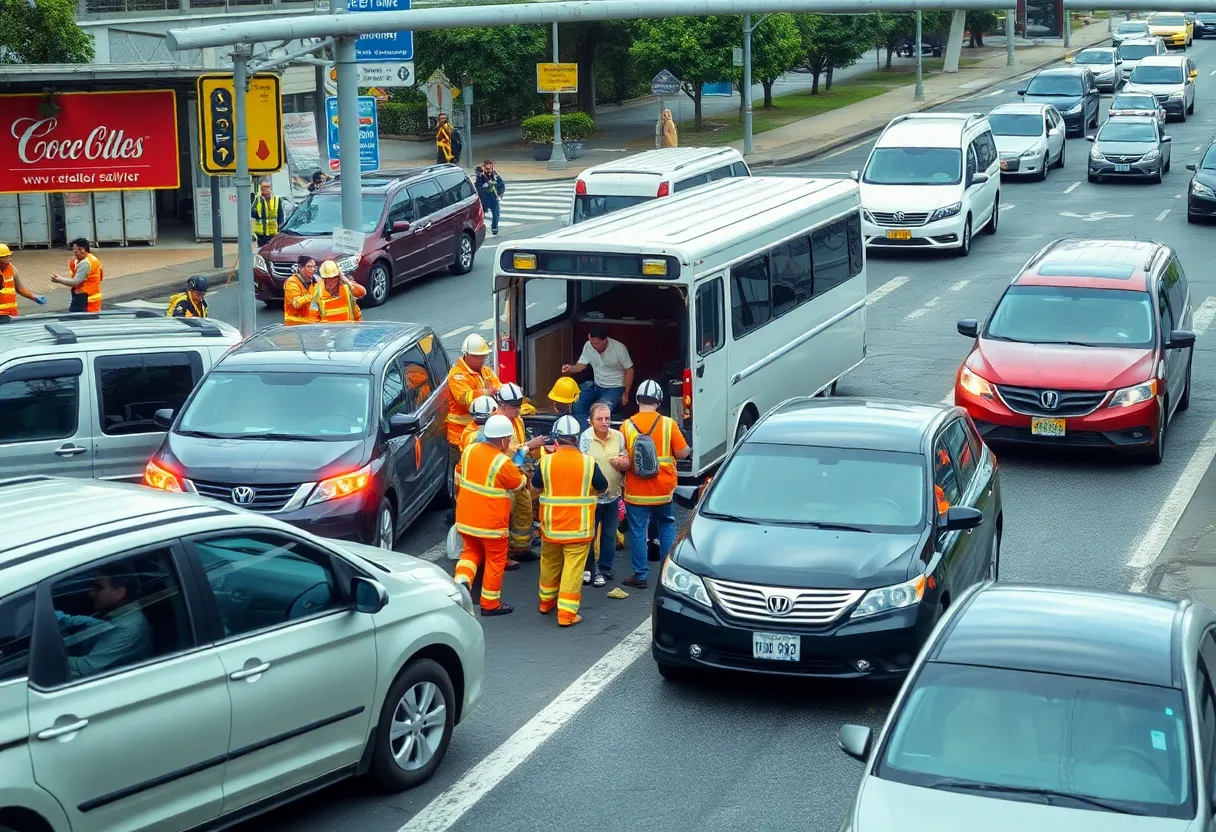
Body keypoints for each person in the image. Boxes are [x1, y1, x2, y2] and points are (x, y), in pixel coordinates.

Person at [533, 415, 608, 627]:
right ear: (576, 438)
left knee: (549, 564)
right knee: (573, 570)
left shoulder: (545, 462)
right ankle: (566, 614)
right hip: (578, 529)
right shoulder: (588, 463)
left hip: (551, 527)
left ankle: (546, 602)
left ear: (556, 439)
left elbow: (536, 485)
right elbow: (602, 486)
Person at [454, 414, 528, 616]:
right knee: (496, 561)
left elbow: (460, 474)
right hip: (491, 524)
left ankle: (461, 582)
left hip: (466, 518)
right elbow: (519, 484)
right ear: (504, 440)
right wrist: (520, 463)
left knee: (470, 553)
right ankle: (490, 603)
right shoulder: (502, 462)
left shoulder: (470, 450)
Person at [620, 379, 691, 589]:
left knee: (638, 531)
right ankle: (667, 572)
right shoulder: (668, 424)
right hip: (663, 489)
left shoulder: (626, 425)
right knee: (666, 525)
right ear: (658, 402)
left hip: (636, 490)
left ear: (637, 400)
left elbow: (622, 458)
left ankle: (640, 575)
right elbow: (682, 452)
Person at [54, 565, 152, 679]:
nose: (91, 593)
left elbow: (85, 668)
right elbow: (96, 625)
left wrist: (42, 658)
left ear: (119, 593)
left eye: (98, 588)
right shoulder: (120, 616)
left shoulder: (129, 627)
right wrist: (62, 619)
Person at [496, 382, 551, 563]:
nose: (518, 410)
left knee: (524, 510)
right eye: (514, 407)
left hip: (516, 473)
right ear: (502, 405)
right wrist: (529, 446)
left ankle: (520, 548)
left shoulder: (516, 419)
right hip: (502, 477)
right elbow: (506, 450)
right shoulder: (497, 423)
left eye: (519, 405)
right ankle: (504, 553)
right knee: (506, 516)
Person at [579, 401, 629, 587]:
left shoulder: (618, 436)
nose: (605, 422)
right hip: (592, 498)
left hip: (613, 496)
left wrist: (624, 463)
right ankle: (589, 569)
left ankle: (605, 567)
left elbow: (625, 457)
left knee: (609, 534)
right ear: (591, 421)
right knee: (590, 535)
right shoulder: (585, 438)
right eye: (600, 419)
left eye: (607, 418)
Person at [445, 333, 502, 476]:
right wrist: (487, 392)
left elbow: (497, 387)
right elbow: (465, 399)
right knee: (462, 471)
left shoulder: (485, 371)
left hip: (481, 430)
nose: (482, 359)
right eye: (478, 356)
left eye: (483, 356)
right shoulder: (457, 375)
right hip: (459, 435)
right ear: (466, 355)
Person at [562, 325, 634, 426]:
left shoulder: (619, 348)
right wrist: (571, 368)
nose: (593, 346)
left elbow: (629, 369)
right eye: (591, 342)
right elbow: (581, 366)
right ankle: (585, 434)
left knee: (600, 410)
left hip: (615, 387)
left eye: (596, 343)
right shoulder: (588, 346)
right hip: (596, 385)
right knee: (577, 405)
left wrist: (626, 393)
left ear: (605, 341)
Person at [50, 238, 103, 313]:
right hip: (92, 298)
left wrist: (59, 279)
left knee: (77, 321)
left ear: (82, 250)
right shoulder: (94, 259)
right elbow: (100, 276)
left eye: (75, 250)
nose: (74, 252)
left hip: (83, 300)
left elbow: (75, 282)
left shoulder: (85, 263)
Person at [0, 243, 46, 317]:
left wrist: (34, 297)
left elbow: (19, 288)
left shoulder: (12, 268)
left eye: (9, 256)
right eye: (4, 257)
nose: (8, 260)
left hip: (11, 313)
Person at [283, 256, 320, 326]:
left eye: (314, 266)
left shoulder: (317, 280)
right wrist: (315, 297)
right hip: (296, 323)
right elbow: (296, 303)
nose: (313, 269)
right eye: (309, 266)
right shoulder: (291, 282)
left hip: (313, 323)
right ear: (301, 268)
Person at [475, 160, 506, 236]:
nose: (489, 170)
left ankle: (494, 228)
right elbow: (477, 187)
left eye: (490, 168)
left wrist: (500, 192)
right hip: (484, 198)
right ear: (484, 168)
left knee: (496, 213)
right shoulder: (481, 176)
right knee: (481, 214)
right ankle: (479, 229)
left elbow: (502, 184)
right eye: (487, 168)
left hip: (493, 198)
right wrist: (483, 186)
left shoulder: (495, 176)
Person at [252, 180, 285, 246]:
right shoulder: (258, 200)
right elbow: (252, 214)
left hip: (273, 233)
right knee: (262, 251)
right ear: (261, 189)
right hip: (261, 234)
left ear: (271, 188)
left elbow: (280, 216)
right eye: (264, 187)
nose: (266, 189)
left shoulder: (277, 199)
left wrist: (280, 229)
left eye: (268, 187)